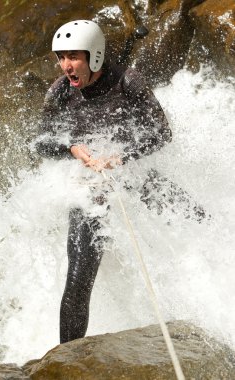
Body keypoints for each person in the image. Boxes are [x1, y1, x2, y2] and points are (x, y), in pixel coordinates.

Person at [36, 19, 172, 344]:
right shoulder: (60, 91)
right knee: (78, 273)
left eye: (74, 57)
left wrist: (121, 157)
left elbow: (162, 133)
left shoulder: (128, 81)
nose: (66, 66)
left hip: (128, 171)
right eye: (61, 57)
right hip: (89, 184)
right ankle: (66, 358)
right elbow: (40, 142)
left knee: (193, 218)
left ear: (93, 56)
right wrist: (72, 148)